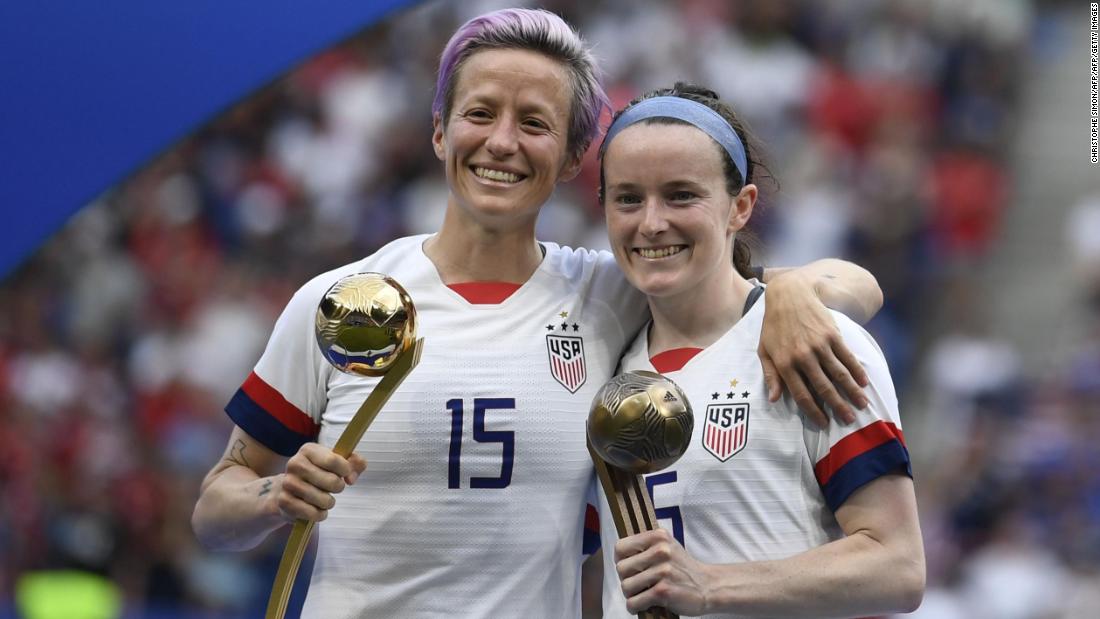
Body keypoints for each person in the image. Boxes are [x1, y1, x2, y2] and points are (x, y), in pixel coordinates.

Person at [191, 10, 883, 617]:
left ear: (574, 156)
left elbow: (838, 285)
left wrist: (791, 290)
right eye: (480, 113)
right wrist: (276, 494)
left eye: (534, 123)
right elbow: (216, 505)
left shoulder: (611, 294)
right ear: (439, 131)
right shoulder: (342, 300)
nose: (501, 143)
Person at [592, 82, 925, 618]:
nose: (651, 223)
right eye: (628, 197)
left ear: (740, 207)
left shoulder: (814, 342)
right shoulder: (599, 361)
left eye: (681, 195)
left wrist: (710, 585)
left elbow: (897, 566)